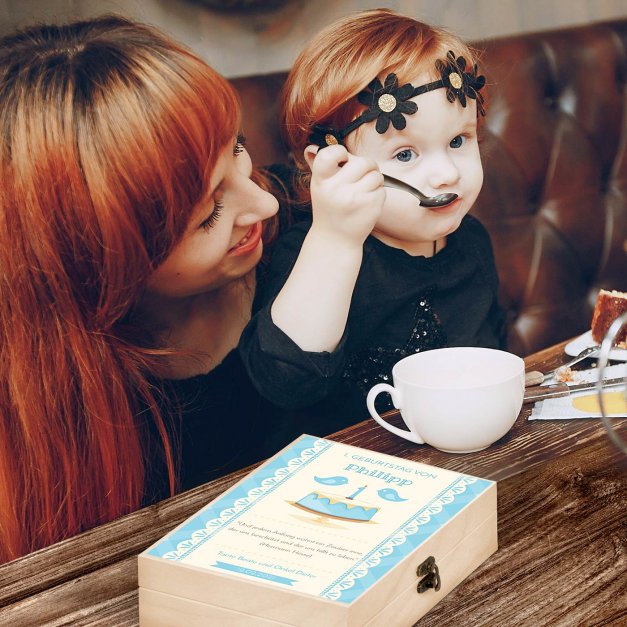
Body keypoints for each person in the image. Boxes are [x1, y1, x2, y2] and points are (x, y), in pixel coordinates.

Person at [0, 15, 282, 562]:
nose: (264, 204)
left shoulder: (309, 239)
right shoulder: (45, 422)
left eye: (239, 148)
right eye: (209, 214)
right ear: (94, 261)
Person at [240, 8, 506, 437]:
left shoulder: (471, 240)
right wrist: (335, 240)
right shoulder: (316, 252)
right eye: (405, 154)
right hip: (350, 482)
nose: (446, 174)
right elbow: (285, 383)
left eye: (458, 140)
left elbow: (493, 352)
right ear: (332, 166)